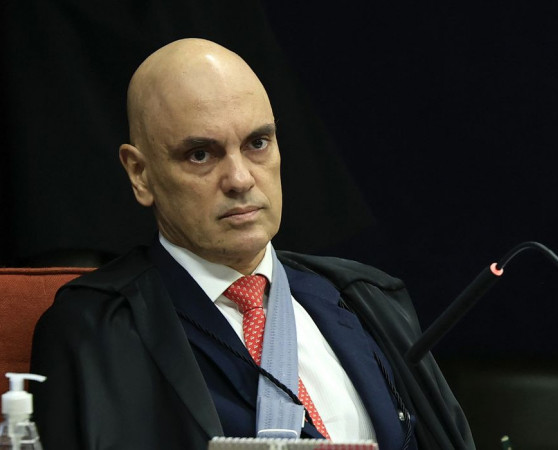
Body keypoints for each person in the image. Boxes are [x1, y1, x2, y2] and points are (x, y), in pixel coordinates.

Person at [30, 38, 474, 450]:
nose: (240, 179)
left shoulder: (367, 299)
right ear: (140, 174)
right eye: (200, 154)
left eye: (257, 143)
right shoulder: (95, 329)